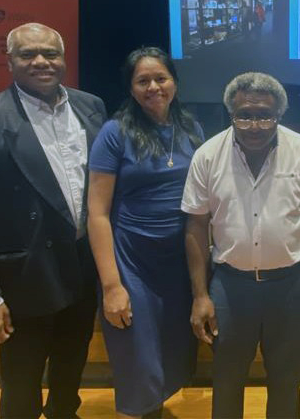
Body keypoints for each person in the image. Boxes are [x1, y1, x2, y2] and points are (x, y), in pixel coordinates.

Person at [0, 22, 106, 418]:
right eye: (28, 54)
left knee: (70, 367)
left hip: (82, 269)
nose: (41, 62)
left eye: (50, 53)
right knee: (21, 385)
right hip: (23, 277)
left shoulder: (91, 106)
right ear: (9, 62)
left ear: (64, 60)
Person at [181, 72, 300, 419]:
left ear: (279, 114)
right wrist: (200, 295)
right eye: (245, 115)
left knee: (286, 380)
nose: (255, 125)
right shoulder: (207, 155)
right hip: (229, 286)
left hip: (291, 286)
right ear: (231, 114)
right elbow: (195, 225)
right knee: (226, 379)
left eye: (264, 115)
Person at [87, 47, 203, 419]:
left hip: (178, 262)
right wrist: (111, 285)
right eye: (143, 81)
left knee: (169, 351)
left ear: (174, 82)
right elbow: (97, 213)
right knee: (137, 360)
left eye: (161, 78)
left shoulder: (191, 128)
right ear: (131, 88)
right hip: (132, 261)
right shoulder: (114, 132)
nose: (154, 86)